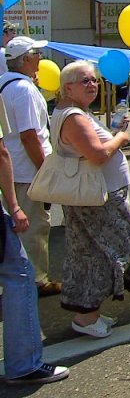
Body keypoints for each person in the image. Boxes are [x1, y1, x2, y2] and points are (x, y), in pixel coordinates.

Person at [51, 62, 130, 338]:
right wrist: (120, 138)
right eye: (84, 81)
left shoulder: (79, 112)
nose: (92, 85)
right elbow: (97, 155)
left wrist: (111, 132)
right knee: (105, 254)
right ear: (67, 87)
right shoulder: (73, 116)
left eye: (93, 81)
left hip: (102, 196)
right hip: (95, 199)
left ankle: (90, 313)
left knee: (99, 253)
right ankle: (85, 317)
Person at [1, 126, 69, 384]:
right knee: (20, 275)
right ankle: (24, 365)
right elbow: (1, 153)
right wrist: (14, 206)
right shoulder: (22, 90)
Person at [0, 35, 60, 296]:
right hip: (28, 170)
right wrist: (46, 170)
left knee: (19, 226)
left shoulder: (6, 84)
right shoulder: (23, 89)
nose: (40, 58)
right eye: (36, 53)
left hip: (15, 169)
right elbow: (29, 136)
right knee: (34, 227)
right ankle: (36, 279)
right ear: (25, 59)